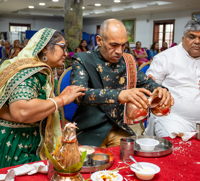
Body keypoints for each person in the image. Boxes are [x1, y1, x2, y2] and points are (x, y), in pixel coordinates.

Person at [70, 19, 173, 148]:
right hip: (90, 129)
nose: (119, 51)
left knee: (131, 163)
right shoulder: (82, 59)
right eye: (114, 45)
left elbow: (145, 82)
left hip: (119, 127)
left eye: (123, 45)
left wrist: (160, 89)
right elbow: (78, 95)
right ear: (99, 40)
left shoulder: (128, 60)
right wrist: (119, 95)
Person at [0, 28, 85, 168]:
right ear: (45, 47)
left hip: (23, 139)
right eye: (62, 47)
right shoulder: (31, 72)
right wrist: (62, 99)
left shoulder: (34, 69)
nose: (65, 53)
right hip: (18, 146)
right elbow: (21, 111)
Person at [145, 20, 200, 137]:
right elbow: (148, 85)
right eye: (192, 37)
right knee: (176, 149)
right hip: (172, 119)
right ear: (183, 38)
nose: (197, 42)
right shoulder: (165, 57)